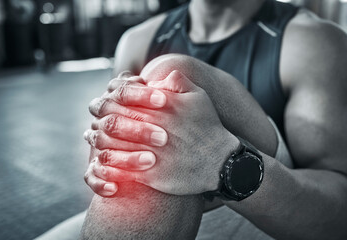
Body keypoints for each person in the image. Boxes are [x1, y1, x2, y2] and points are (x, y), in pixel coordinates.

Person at [37, 0, 347, 239]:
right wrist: (106, 150)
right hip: (159, 218)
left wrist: (222, 162)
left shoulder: (312, 42)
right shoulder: (136, 40)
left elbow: (340, 214)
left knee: (170, 74)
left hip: (272, 205)